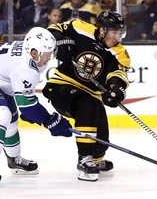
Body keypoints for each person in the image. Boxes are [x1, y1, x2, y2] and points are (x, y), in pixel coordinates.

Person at [0, 27, 72, 187]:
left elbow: (26, 104)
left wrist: (41, 116)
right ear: (35, 53)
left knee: (11, 121)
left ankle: (14, 160)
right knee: (1, 114)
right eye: (47, 55)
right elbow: (28, 108)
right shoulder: (26, 69)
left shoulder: (29, 55)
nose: (49, 59)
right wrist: (50, 121)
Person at [42, 11, 130, 182]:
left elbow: (118, 75)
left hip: (92, 97)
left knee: (101, 142)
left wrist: (115, 89)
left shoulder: (120, 53)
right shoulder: (79, 27)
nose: (118, 37)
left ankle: (95, 160)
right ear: (102, 30)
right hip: (62, 86)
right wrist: (61, 40)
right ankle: (84, 160)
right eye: (114, 32)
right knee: (87, 103)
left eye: (120, 32)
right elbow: (51, 30)